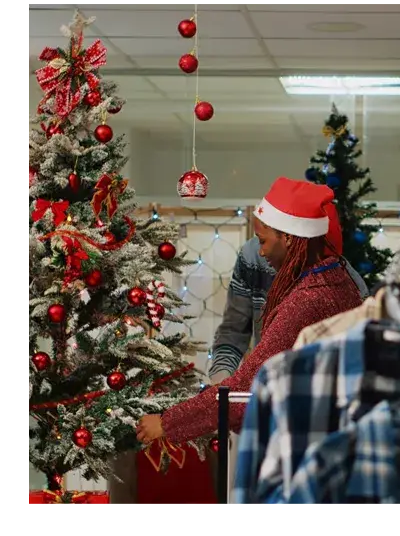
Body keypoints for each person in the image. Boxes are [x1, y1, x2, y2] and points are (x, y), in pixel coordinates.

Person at [136, 177, 364, 444]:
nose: (261, 251)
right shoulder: (335, 278)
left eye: (263, 240)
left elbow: (245, 390)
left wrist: (167, 422)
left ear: (289, 238)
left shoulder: (309, 300)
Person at [208, 234, 368, 385]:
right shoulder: (253, 256)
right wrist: (221, 384)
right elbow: (233, 332)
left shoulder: (340, 279)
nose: (262, 251)